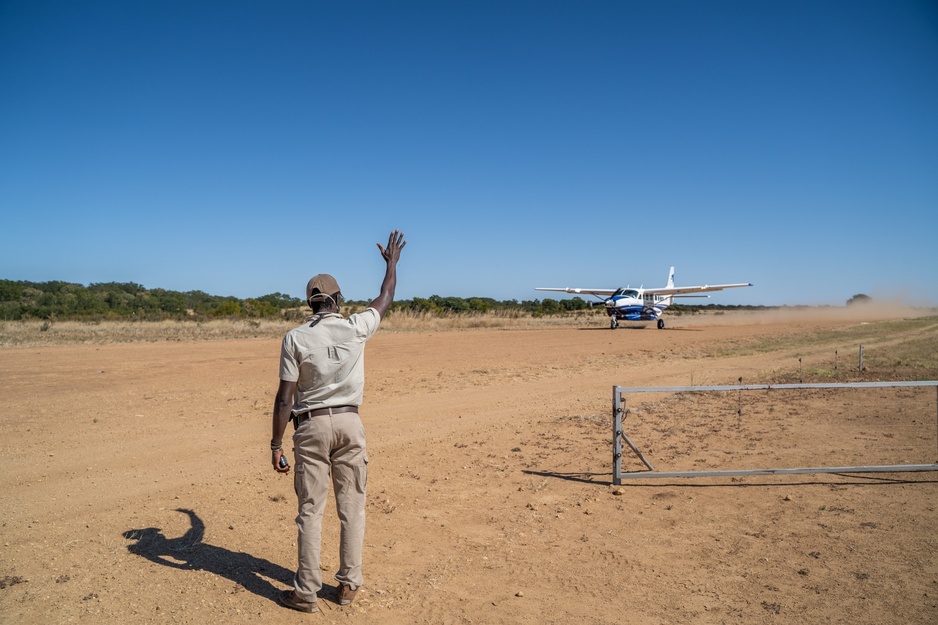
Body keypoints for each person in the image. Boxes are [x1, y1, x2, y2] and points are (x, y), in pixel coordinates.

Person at [270, 229, 406, 613]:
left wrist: (276, 444)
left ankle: (306, 593)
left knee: (310, 511)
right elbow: (386, 297)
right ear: (338, 300)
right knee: (353, 508)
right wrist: (392, 264)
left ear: (309, 304)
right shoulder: (356, 328)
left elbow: (285, 398)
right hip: (350, 424)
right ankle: (348, 586)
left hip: (310, 427)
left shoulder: (295, 339)